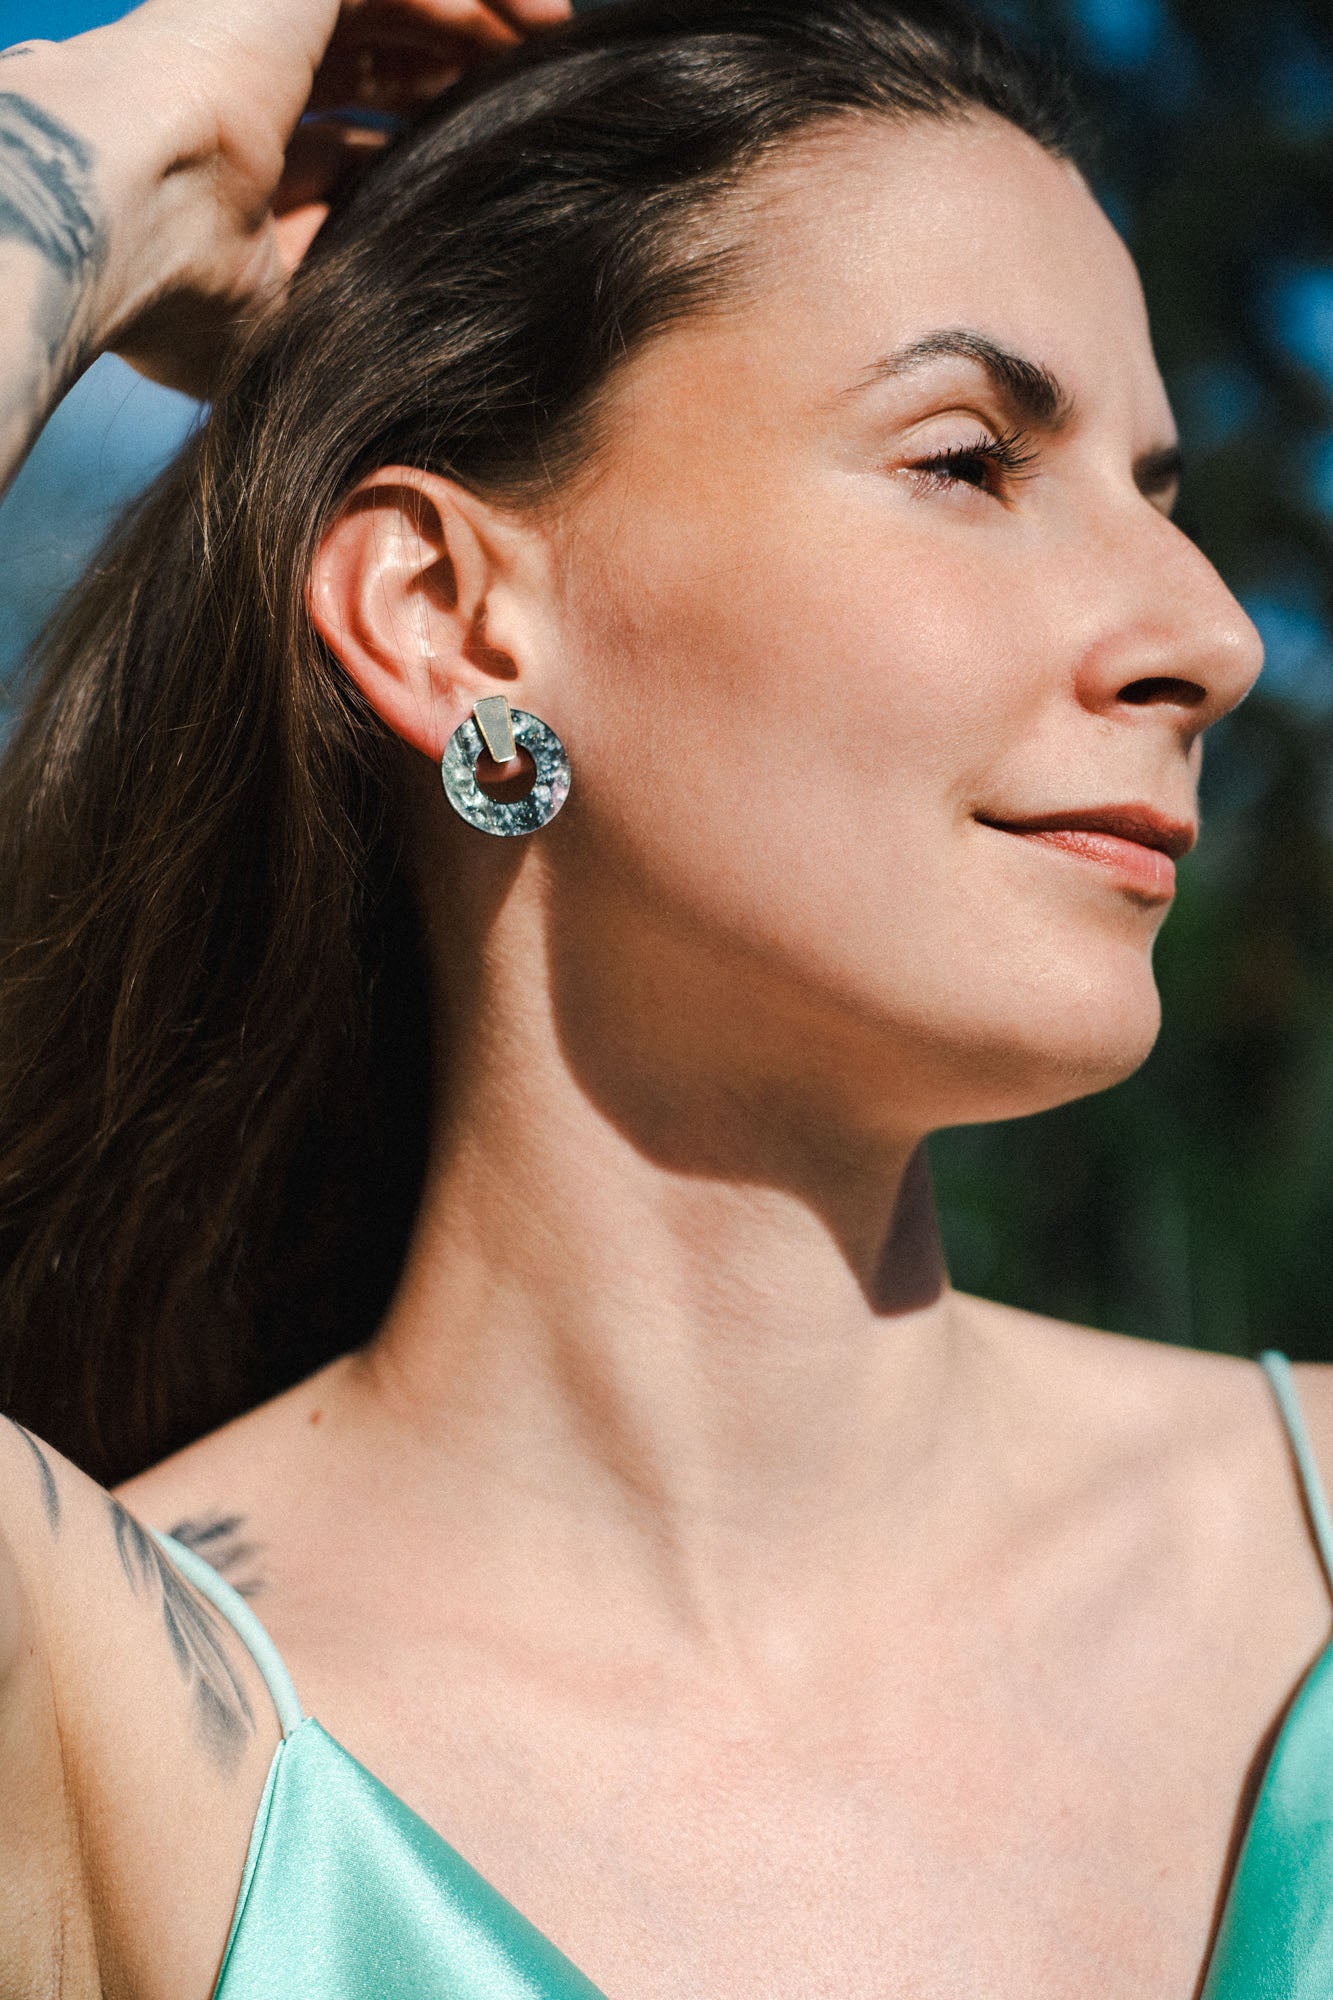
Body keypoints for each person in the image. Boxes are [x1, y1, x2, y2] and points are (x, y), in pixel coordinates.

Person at [0, 0, 1325, 1993]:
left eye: (1161, 493)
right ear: (449, 622)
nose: (1206, 637)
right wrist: (124, 140)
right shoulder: (109, 1707)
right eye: (971, 460)